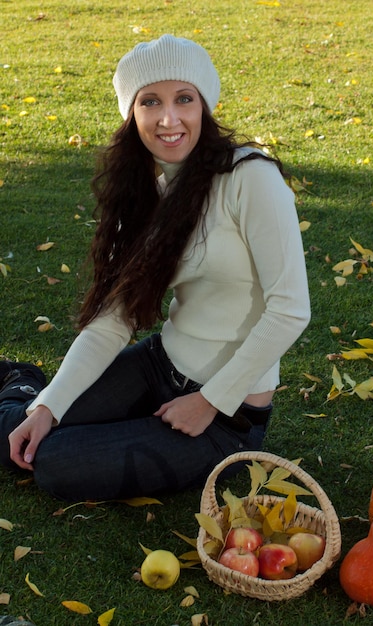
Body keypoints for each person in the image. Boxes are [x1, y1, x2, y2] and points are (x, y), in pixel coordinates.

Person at [0, 35, 310, 501]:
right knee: (26, 430)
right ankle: (25, 389)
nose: (169, 119)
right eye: (150, 102)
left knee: (55, 462)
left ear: (204, 105)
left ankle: (20, 391)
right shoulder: (144, 192)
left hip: (227, 415)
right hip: (158, 365)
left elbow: (290, 310)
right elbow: (113, 319)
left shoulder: (250, 178)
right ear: (132, 114)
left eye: (184, 99)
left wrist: (209, 401)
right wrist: (47, 407)